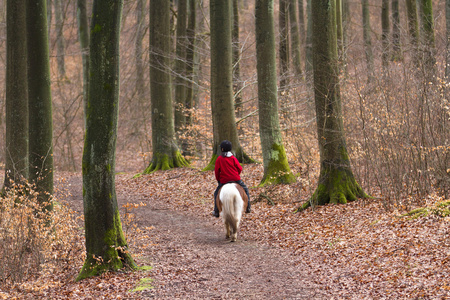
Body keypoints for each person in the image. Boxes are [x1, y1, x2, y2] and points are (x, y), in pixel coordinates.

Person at [212, 140, 251, 218]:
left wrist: (218, 180)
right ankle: (248, 207)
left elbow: (216, 171)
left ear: (222, 149)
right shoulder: (233, 158)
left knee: (216, 193)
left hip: (224, 181)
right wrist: (236, 175)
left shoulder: (219, 159)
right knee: (245, 190)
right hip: (236, 179)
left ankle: (216, 211)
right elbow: (239, 168)